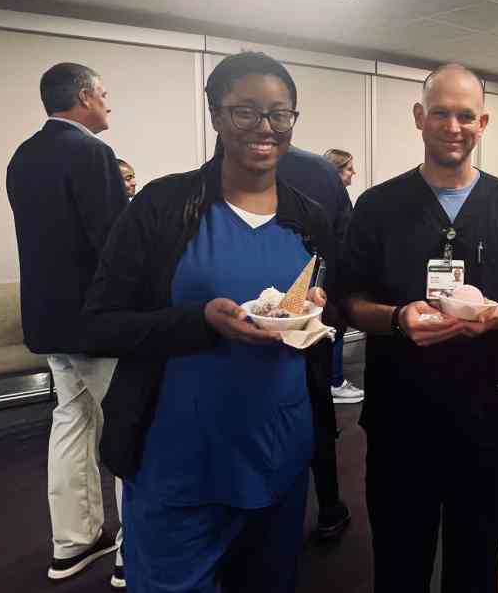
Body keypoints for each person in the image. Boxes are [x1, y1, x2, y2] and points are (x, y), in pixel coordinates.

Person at [81, 51, 335, 593]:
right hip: (179, 461)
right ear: (215, 115)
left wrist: (316, 309)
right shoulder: (163, 207)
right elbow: (100, 323)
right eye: (245, 112)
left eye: (279, 114)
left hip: (278, 456)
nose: (264, 129)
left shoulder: (311, 219)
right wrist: (199, 321)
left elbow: (314, 312)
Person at [339, 63, 498, 593]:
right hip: (401, 418)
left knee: (477, 560)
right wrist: (396, 319)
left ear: (482, 122)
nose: (453, 126)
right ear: (420, 117)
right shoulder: (377, 207)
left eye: (466, 116)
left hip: (488, 418)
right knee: (398, 559)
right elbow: (347, 303)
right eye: (441, 113)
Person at [6, 62, 127, 588]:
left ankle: (71, 545)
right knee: (128, 427)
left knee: (71, 423)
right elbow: (114, 245)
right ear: (83, 96)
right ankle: (132, 552)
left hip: (49, 322)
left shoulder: (23, 155)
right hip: (96, 325)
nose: (108, 103)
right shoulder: (92, 152)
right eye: (103, 94)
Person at [277, 145, 357, 543]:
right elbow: (343, 246)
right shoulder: (321, 172)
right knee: (317, 411)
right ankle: (328, 505)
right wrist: (336, 314)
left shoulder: (213, 176)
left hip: (252, 318)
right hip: (311, 317)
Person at [316, 147, 365, 404]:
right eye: (348, 168)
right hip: (330, 276)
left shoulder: (324, 199)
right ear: (334, 171)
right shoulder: (334, 201)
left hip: (327, 274)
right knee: (334, 325)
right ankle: (335, 382)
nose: (353, 173)